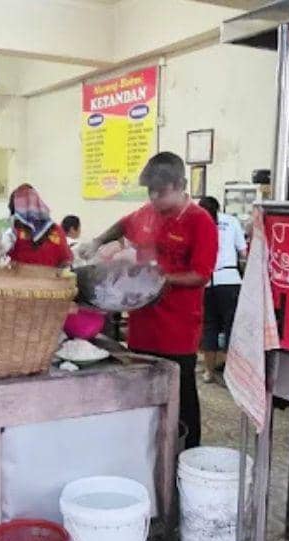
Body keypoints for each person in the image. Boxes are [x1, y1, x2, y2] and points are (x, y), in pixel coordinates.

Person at [79, 152, 217, 449]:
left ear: (180, 185)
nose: (154, 198)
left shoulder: (199, 221)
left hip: (177, 330)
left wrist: (161, 278)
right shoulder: (147, 213)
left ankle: (185, 452)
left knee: (181, 397)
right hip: (143, 326)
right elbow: (122, 225)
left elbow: (201, 275)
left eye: (161, 192)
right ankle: (147, 447)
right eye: (150, 192)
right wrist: (98, 241)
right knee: (143, 391)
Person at [198, 196, 247, 384]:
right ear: (219, 208)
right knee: (231, 327)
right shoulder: (232, 221)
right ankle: (230, 374)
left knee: (209, 326)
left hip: (207, 282)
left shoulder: (199, 225)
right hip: (230, 280)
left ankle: (208, 372)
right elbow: (243, 253)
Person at [7, 184, 73, 268]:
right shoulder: (57, 229)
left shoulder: (14, 231)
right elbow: (66, 261)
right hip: (51, 279)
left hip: (19, 279)